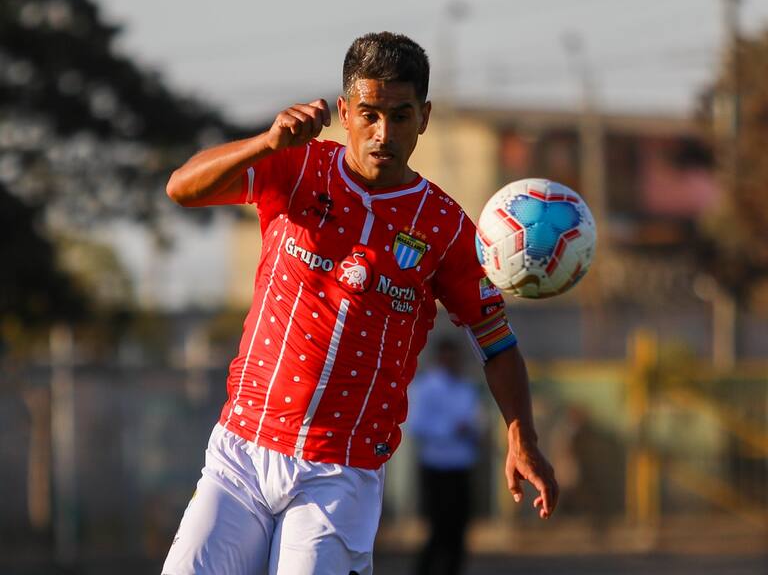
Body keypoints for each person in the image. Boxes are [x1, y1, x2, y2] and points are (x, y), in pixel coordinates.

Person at [162, 31, 558, 575]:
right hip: (241, 452)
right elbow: (182, 188)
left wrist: (523, 438)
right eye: (369, 113)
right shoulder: (295, 167)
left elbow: (497, 344)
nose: (383, 133)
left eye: (400, 115)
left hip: (339, 471)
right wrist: (266, 142)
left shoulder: (445, 230)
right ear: (345, 111)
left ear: (424, 117)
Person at [408, 337, 485, 575]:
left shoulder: (466, 388)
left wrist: (473, 430)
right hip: (436, 466)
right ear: (440, 358)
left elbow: (478, 422)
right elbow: (416, 425)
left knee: (459, 530)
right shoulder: (425, 387)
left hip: (461, 466)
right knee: (439, 529)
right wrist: (451, 429)